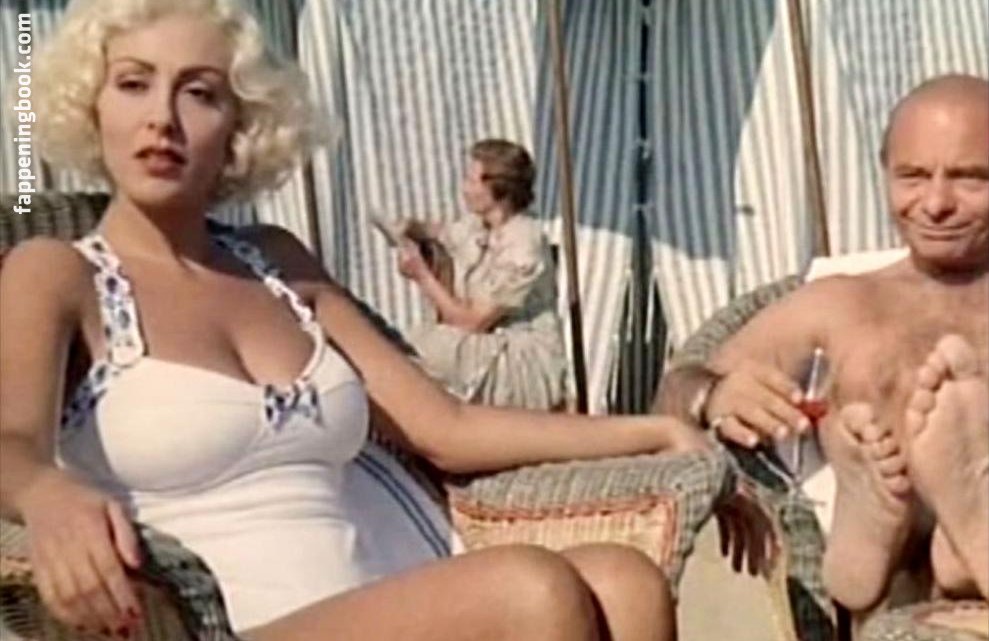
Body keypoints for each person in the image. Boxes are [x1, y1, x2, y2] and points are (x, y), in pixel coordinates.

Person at [0, 1, 704, 639]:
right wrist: (45, 491)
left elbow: (445, 427)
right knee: (531, 590)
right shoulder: (56, 272)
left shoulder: (278, 264)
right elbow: (8, 441)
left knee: (625, 582)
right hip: (224, 623)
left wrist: (649, 431)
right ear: (90, 105)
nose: (162, 118)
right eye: (133, 83)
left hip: (383, 594)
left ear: (240, 127)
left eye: (200, 93)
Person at [656, 74, 988, 620]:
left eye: (969, 178)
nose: (935, 203)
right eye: (912, 176)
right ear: (884, 173)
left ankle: (969, 532)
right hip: (898, 584)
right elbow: (669, 396)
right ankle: (884, 527)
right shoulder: (841, 303)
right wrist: (711, 395)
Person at [394, 139, 568, 410]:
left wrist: (423, 277)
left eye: (472, 181)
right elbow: (443, 233)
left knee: (423, 350)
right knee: (401, 345)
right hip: (484, 344)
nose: (465, 189)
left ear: (500, 189)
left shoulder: (523, 243)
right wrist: (411, 230)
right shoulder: (477, 226)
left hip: (519, 358)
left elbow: (471, 321)